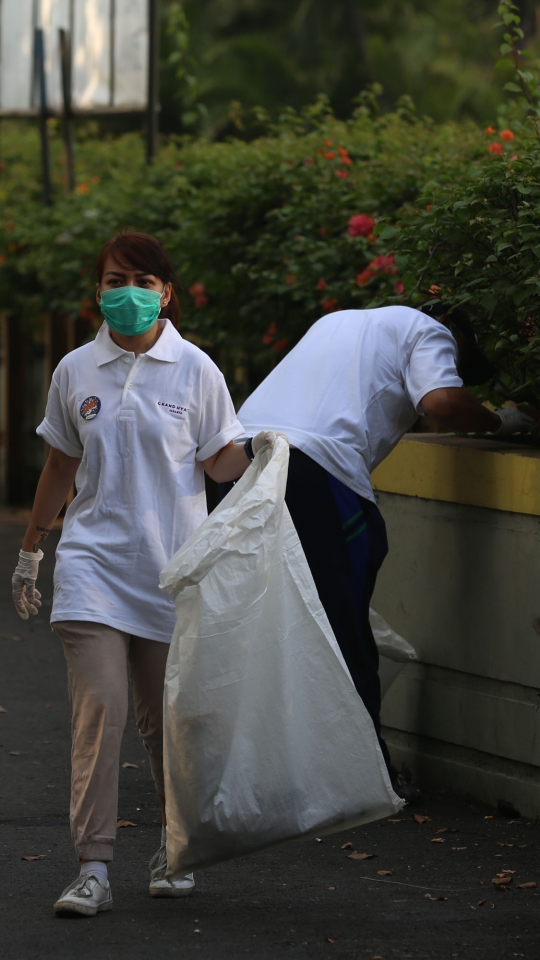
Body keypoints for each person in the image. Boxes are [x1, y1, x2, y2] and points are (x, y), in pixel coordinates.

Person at [11, 232, 273, 918]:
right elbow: (62, 466)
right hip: (93, 566)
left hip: (171, 573)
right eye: (112, 279)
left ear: (166, 293)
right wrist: (32, 550)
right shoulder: (76, 369)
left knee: (168, 725)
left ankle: (175, 850)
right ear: (97, 292)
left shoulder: (195, 369)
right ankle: (92, 866)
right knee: (102, 714)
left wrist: (261, 453)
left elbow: (218, 462)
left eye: (141, 280)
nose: (125, 291)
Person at [236, 303, 536, 803]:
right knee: (343, 623)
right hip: (314, 471)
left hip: (243, 462)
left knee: (266, 620)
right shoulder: (431, 330)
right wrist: (501, 421)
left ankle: (263, 771)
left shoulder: (335, 322)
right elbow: (440, 402)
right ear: (456, 335)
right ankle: (365, 777)